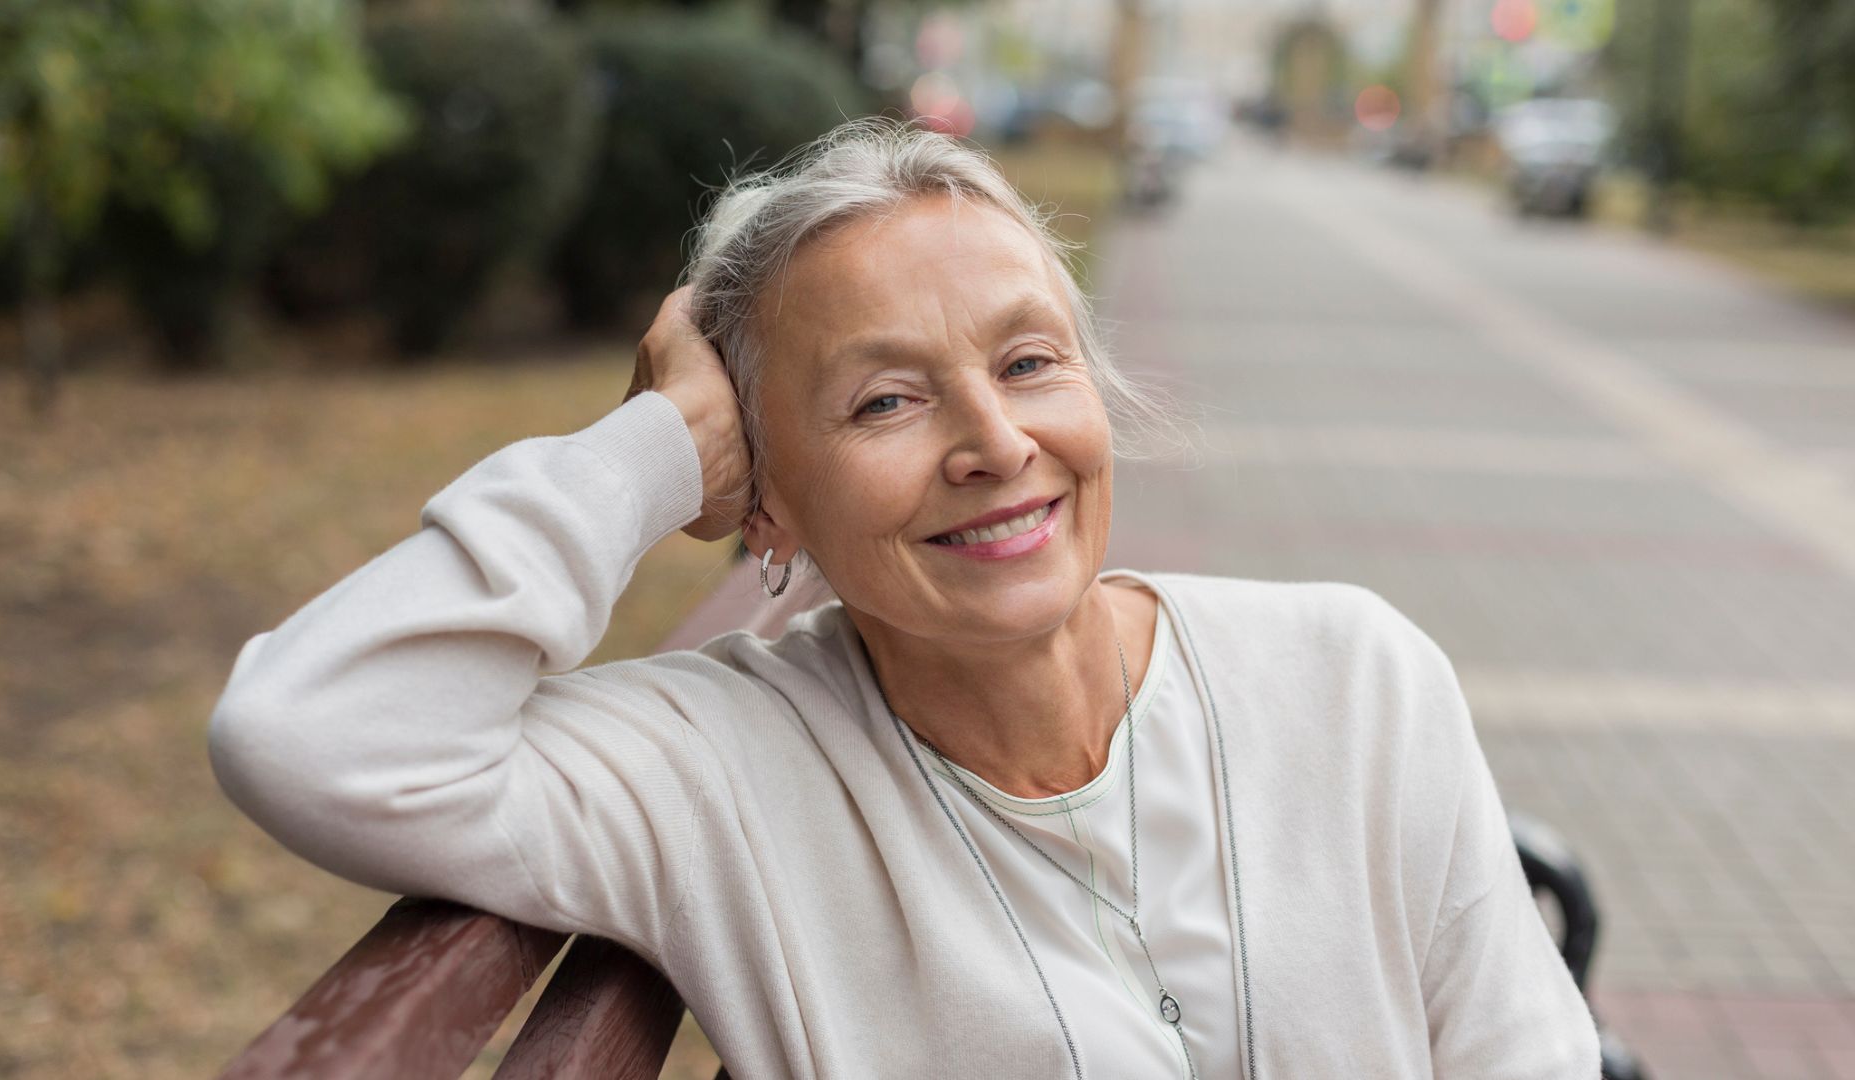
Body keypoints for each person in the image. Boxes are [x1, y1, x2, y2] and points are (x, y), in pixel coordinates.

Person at [208, 118, 1599, 1079]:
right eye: (885, 399)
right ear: (767, 501)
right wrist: (646, 456)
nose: (996, 442)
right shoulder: (722, 774)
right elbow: (310, 731)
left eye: (1033, 363)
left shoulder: (1354, 680)